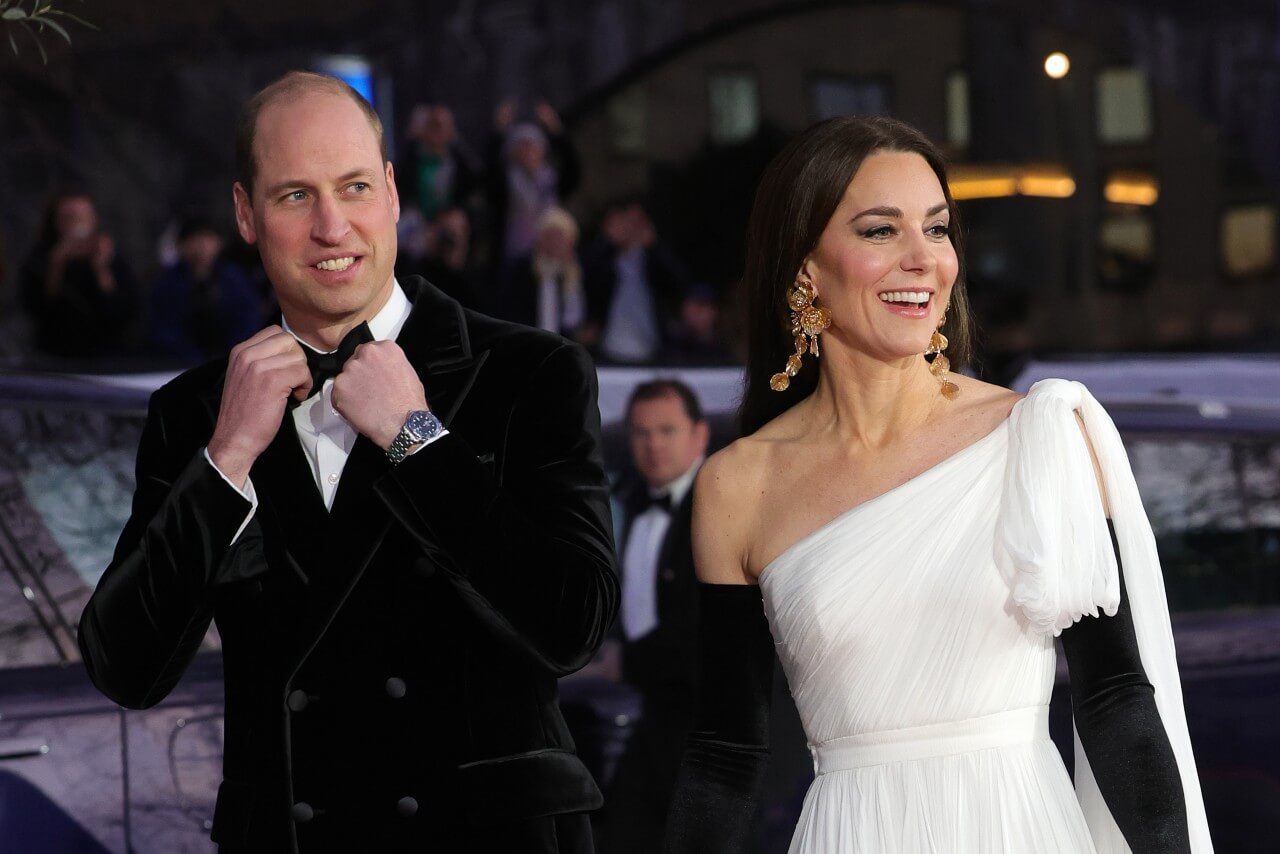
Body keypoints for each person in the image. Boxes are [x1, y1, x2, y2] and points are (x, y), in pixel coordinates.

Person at [77, 71, 618, 854]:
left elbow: (574, 626)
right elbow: (125, 666)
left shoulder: (530, 372)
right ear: (246, 215)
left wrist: (416, 438)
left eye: (355, 186)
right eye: (296, 196)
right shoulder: (197, 413)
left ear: (394, 193)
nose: (333, 226)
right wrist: (227, 459)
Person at [665, 116, 1212, 852]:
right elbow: (725, 756)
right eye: (880, 231)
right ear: (805, 268)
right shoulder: (738, 485)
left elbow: (1114, 701)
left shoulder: (1039, 435)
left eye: (938, 228)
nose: (924, 259)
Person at [599, 380, 709, 854]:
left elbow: (701, 629)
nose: (653, 445)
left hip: (710, 728)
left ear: (699, 436)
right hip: (656, 717)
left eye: (666, 430)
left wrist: (621, 664)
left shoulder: (717, 507)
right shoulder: (627, 504)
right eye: (641, 433)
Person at [20, 191, 137, 359]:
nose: (77, 225)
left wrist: (101, 270)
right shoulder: (40, 259)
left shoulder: (111, 257)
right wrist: (56, 265)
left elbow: (124, 312)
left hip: (107, 356)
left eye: (83, 217)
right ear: (55, 222)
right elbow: (37, 310)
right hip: (54, 356)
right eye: (70, 218)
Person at [582, 199, 691, 364]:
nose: (631, 228)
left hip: (652, 348)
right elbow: (584, 278)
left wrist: (654, 246)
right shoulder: (604, 258)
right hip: (609, 347)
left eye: (637, 221)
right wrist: (606, 240)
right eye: (626, 221)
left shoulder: (654, 258)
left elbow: (680, 282)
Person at [148, 216, 264, 363]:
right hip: (179, 365)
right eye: (194, 239)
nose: (202, 246)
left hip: (231, 361)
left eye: (208, 238)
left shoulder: (233, 278)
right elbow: (164, 330)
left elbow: (248, 318)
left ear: (219, 243)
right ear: (180, 245)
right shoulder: (167, 283)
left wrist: (232, 354)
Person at [487, 99, 581, 266]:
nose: (527, 152)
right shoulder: (504, 183)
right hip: (513, 259)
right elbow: (489, 170)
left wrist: (555, 130)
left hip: (550, 259)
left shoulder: (552, 181)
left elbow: (573, 169)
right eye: (521, 147)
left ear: (541, 150)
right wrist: (499, 131)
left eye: (532, 146)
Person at [494, 206, 587, 338]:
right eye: (552, 237)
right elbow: (506, 312)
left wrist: (571, 287)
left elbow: (573, 321)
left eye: (562, 240)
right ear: (540, 239)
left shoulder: (570, 274)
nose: (556, 245)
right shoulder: (520, 270)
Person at [396, 104, 481, 221]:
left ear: (451, 131)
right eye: (433, 125)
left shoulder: (461, 164)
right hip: (416, 223)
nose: (437, 131)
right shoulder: (409, 162)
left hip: (449, 222)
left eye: (442, 126)